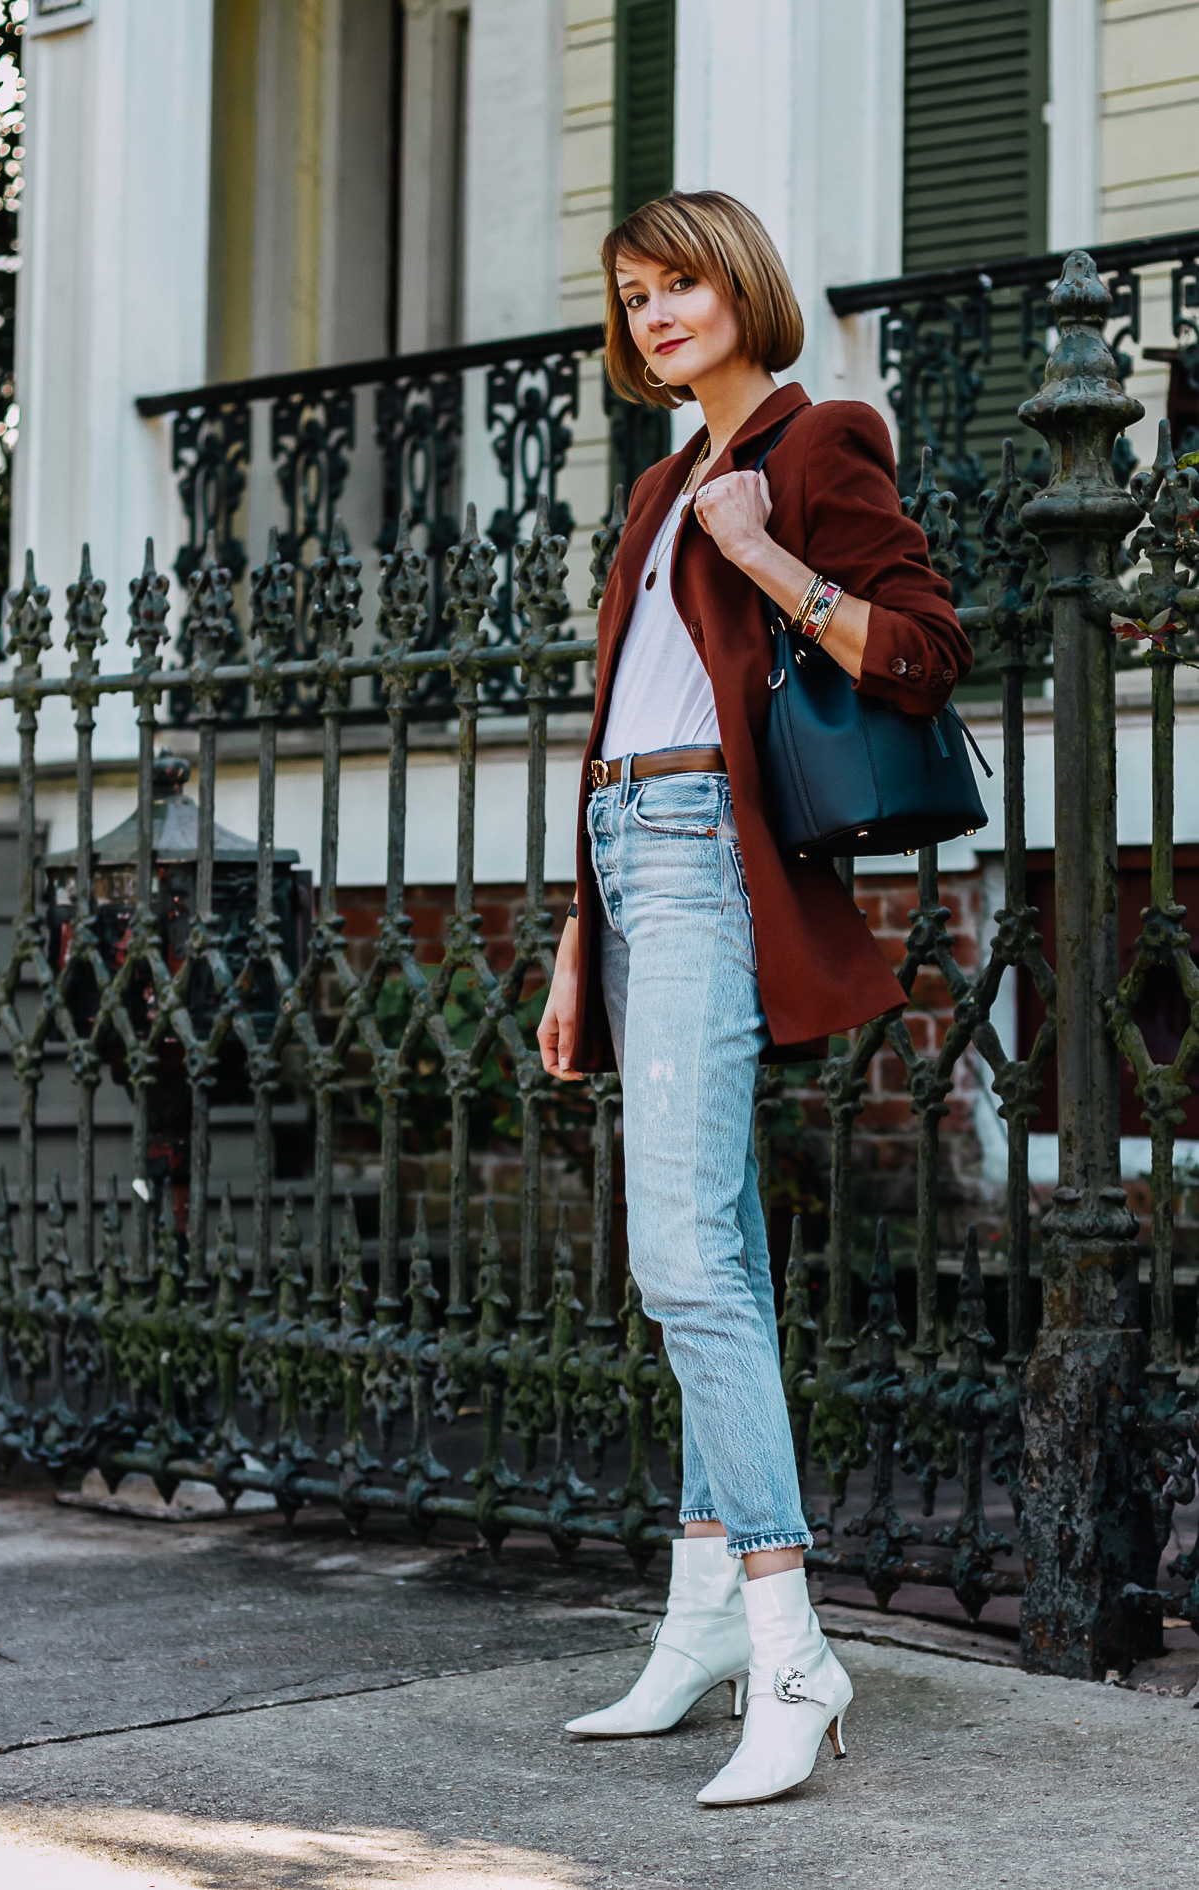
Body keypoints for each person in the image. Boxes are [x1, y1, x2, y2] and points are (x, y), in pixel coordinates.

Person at [537, 190, 970, 1806]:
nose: (656, 314)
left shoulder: (817, 442)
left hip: (709, 863)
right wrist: (577, 943)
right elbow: (611, 730)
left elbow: (927, 649)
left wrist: (770, 555)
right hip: (628, 854)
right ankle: (706, 1611)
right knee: (710, 1230)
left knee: (681, 1254)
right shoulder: (657, 484)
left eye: (682, 283)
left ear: (744, 289)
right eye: (634, 294)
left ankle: (792, 1645)